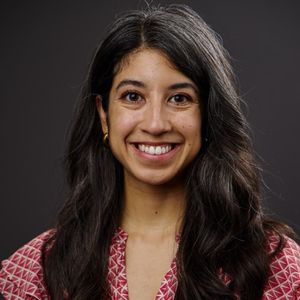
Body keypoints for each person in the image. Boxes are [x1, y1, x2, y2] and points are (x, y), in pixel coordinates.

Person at [0, 4, 299, 300]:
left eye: (180, 98)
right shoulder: (36, 272)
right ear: (104, 114)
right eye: (133, 96)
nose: (155, 124)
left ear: (208, 116)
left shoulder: (275, 266)